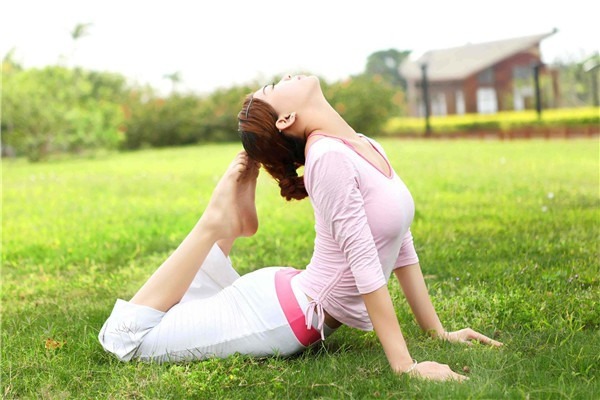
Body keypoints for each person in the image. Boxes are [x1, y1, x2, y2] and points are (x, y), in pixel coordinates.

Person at [99, 74, 502, 381]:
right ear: (287, 118)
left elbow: (400, 245)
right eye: (275, 87)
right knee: (125, 339)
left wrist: (438, 333)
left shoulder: (362, 144)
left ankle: (224, 227)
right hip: (280, 316)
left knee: (159, 320)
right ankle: (213, 226)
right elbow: (364, 261)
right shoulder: (326, 157)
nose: (285, 77)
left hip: (287, 298)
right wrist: (405, 365)